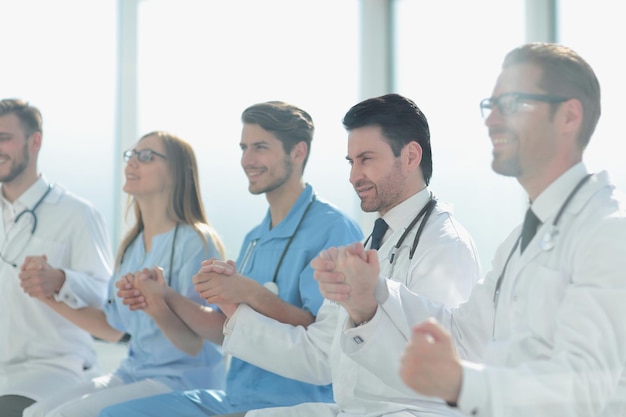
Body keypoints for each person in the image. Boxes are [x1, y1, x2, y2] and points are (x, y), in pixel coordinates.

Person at [321, 43, 626, 417]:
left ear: (568, 116)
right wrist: (370, 296)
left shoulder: (609, 235)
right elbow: (461, 338)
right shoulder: (519, 242)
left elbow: (589, 388)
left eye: (513, 104)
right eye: (491, 105)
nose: (492, 120)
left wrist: (462, 383)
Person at [181, 93, 482, 417]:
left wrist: (365, 311)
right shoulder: (374, 243)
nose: (353, 177)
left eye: (366, 159)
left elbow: (435, 376)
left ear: (410, 156)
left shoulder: (445, 246)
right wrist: (233, 309)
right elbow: (322, 355)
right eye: (351, 162)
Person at [98, 101, 364, 417]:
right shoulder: (256, 236)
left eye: (260, 147)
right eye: (244, 147)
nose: (247, 160)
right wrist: (165, 295)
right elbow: (227, 330)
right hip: (236, 397)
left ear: (297, 152)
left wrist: (247, 291)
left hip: (290, 404)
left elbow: (324, 336)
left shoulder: (332, 228)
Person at [22, 131, 227, 417]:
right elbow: (112, 327)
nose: (132, 163)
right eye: (131, 155)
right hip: (133, 372)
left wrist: (157, 305)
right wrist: (46, 296)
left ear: (176, 172)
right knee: (34, 413)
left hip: (184, 381)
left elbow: (193, 345)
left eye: (146, 156)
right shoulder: (132, 246)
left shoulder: (196, 241)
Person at [0, 98, 113, 417]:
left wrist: (62, 280)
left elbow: (107, 301)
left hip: (52, 370)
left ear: (34, 141)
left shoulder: (78, 215)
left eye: (4, 138)